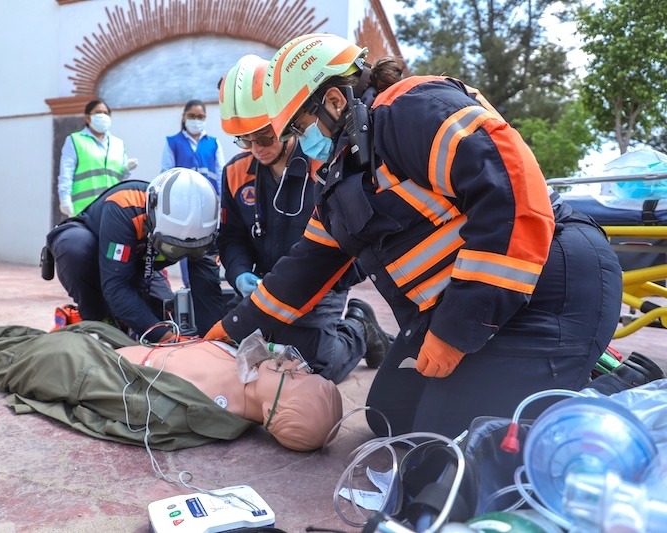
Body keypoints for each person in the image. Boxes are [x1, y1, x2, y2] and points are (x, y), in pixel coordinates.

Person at [206, 33, 623, 438]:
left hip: (549, 286)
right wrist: (234, 326)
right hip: (480, 302)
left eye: (299, 126)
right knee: (392, 417)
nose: (299, 140)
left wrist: (455, 331)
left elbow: (513, 198)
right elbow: (307, 265)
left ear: (334, 102)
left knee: (452, 444)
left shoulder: (413, 111)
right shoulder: (343, 171)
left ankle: (620, 392)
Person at [216, 54, 390, 384]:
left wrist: (320, 285)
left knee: (314, 367)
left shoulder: (324, 162)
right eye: (244, 140)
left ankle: (359, 327)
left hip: (320, 287)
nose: (255, 149)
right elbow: (231, 237)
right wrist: (239, 274)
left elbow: (354, 246)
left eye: (264, 137)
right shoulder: (235, 173)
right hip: (266, 288)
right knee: (239, 351)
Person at [0, 321, 342, 452]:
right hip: (101, 343)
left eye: (291, 377)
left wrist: (80, 356)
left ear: (272, 412)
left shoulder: (188, 416)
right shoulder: (243, 367)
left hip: (69, 361)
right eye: (298, 368)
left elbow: (98, 399)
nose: (290, 364)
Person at [46, 167, 226, 341]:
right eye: (174, 249)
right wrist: (164, 338)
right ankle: (97, 321)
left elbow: (206, 288)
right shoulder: (124, 205)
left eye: (188, 250)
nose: (179, 254)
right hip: (102, 256)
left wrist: (213, 338)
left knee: (164, 318)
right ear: (153, 222)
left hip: (145, 265)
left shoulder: (205, 228)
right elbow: (116, 286)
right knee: (75, 247)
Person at [161, 99, 226, 287]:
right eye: (192, 116)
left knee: (207, 246)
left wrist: (223, 204)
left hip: (208, 205)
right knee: (184, 246)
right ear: (184, 117)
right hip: (182, 207)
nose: (196, 120)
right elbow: (166, 173)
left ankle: (209, 284)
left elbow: (221, 173)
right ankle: (189, 286)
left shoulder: (213, 143)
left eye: (200, 117)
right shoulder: (173, 142)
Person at [57, 99, 137, 217]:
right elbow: (66, 174)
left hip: (112, 208)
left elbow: (119, 178)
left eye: (106, 113)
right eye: (98, 112)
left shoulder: (118, 144)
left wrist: (126, 170)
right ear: (87, 118)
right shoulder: (75, 140)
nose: (103, 116)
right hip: (84, 208)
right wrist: (65, 198)